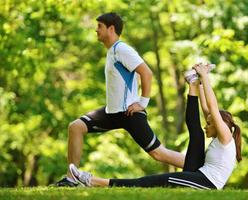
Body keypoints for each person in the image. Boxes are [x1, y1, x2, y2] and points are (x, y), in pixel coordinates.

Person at [55, 12, 185, 187]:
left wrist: (142, 103)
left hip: (129, 113)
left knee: (158, 154)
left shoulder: (122, 49)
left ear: (111, 28)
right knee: (76, 127)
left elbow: (146, 73)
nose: (96, 30)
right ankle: (72, 178)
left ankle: (202, 169)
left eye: (99, 26)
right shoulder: (112, 51)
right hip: (111, 112)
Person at [68, 63, 242, 189]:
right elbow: (206, 110)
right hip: (199, 172)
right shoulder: (222, 138)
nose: (207, 126)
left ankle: (93, 181)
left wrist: (205, 76)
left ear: (221, 125)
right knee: (195, 132)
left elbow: (212, 107)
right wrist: (198, 85)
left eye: (210, 123)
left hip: (206, 182)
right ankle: (193, 84)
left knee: (150, 181)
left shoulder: (225, 136)